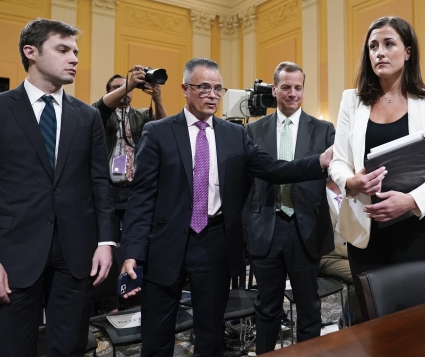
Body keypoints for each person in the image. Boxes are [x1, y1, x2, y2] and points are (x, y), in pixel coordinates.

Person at [119, 58, 333, 357]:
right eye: (203, 87)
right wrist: (131, 251)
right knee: (157, 333)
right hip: (165, 245)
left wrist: (319, 162)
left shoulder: (235, 135)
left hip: (214, 242)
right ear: (185, 89)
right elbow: (141, 197)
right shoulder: (159, 132)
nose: (212, 95)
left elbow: (273, 169)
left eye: (218, 89)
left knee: (211, 333)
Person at [0, 18, 114, 356]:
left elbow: (100, 183)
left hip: (76, 254)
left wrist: (105, 241)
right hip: (12, 255)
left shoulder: (87, 116)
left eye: (75, 51)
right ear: (31, 52)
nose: (74, 58)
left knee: (70, 349)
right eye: (63, 50)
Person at [328, 16, 425, 284]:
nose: (379, 52)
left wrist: (411, 200)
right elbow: (338, 162)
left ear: (408, 52)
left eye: (389, 44)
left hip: (416, 227)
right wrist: (351, 181)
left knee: (414, 318)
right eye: (373, 46)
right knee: (373, 316)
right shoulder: (351, 101)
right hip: (365, 229)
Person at [244, 62, 335, 353]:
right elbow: (245, 185)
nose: (292, 93)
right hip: (265, 230)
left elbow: (336, 175)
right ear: (274, 90)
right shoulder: (253, 130)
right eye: (286, 87)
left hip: (305, 229)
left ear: (304, 90)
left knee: (309, 308)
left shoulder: (323, 130)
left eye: (298, 87)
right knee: (267, 308)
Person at [93, 69, 167, 242]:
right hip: (108, 188)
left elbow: (164, 129)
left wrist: (157, 98)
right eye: (116, 87)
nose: (125, 90)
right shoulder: (98, 115)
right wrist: (127, 85)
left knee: (134, 237)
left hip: (134, 187)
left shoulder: (141, 115)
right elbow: (99, 108)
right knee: (107, 238)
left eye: (127, 87)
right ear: (109, 92)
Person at [319, 178, 362, 326]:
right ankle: (352, 321)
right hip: (327, 256)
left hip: (352, 251)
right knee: (361, 275)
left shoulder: (351, 194)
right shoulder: (318, 196)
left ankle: (351, 318)